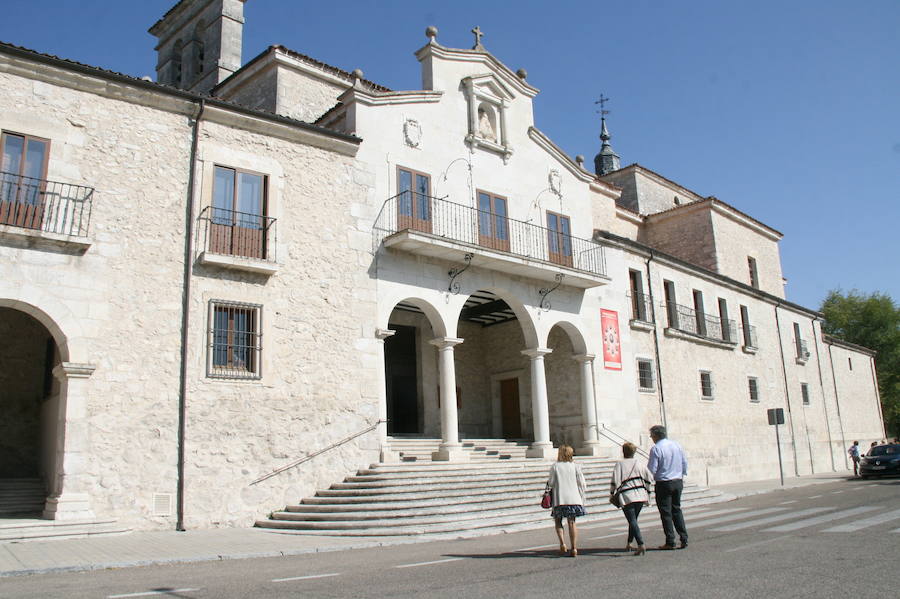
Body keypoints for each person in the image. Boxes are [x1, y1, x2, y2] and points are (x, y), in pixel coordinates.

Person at [647, 424, 688, 550]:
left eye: (651, 435)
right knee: (677, 510)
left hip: (664, 483)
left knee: (666, 513)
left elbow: (651, 468)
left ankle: (670, 541)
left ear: (656, 435)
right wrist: (681, 475)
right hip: (677, 481)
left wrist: (648, 481)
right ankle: (683, 537)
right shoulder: (676, 445)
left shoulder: (656, 448)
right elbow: (684, 462)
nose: (651, 437)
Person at [610, 442, 654, 556]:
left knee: (632, 520)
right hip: (640, 494)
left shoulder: (620, 464)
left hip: (627, 495)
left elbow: (615, 480)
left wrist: (611, 493)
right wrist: (647, 491)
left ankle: (641, 544)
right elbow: (649, 477)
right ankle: (629, 543)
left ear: (623, 452)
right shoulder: (640, 463)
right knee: (633, 520)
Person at [546, 444, 586, 557]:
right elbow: (582, 483)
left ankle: (562, 544)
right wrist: (582, 497)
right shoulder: (575, 466)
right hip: (573, 498)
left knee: (558, 521)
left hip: (560, 499)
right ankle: (574, 547)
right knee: (572, 522)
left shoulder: (555, 466)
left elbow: (551, 482)